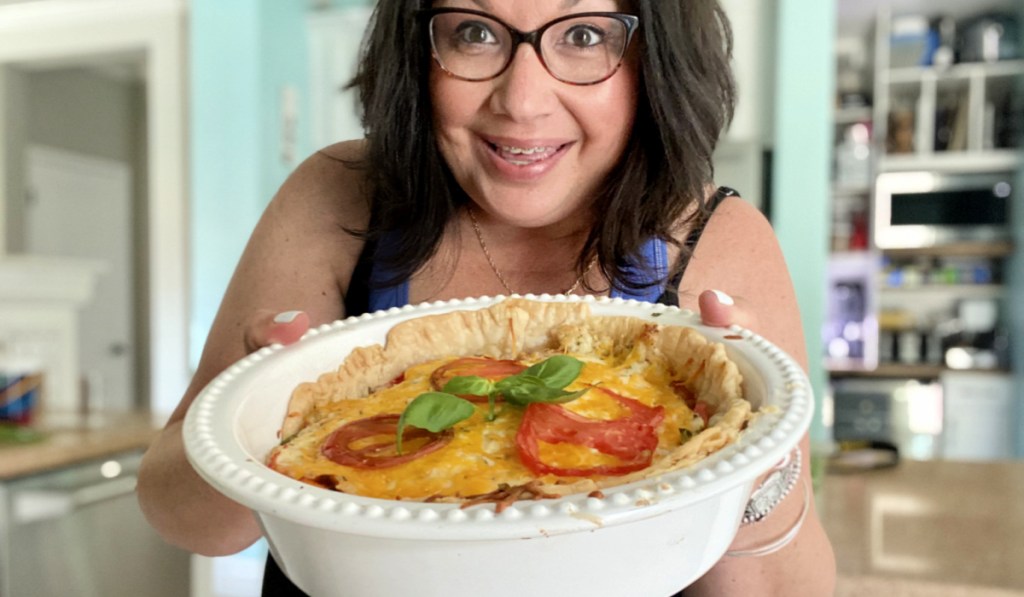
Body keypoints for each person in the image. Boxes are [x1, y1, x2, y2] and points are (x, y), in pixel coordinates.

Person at [137, 0, 836, 595]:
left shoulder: (721, 241)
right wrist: (246, 422)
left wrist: (757, 467)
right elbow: (188, 523)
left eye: (584, 36)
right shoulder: (336, 196)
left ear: (655, 57)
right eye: (474, 32)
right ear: (420, 47)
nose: (522, 101)